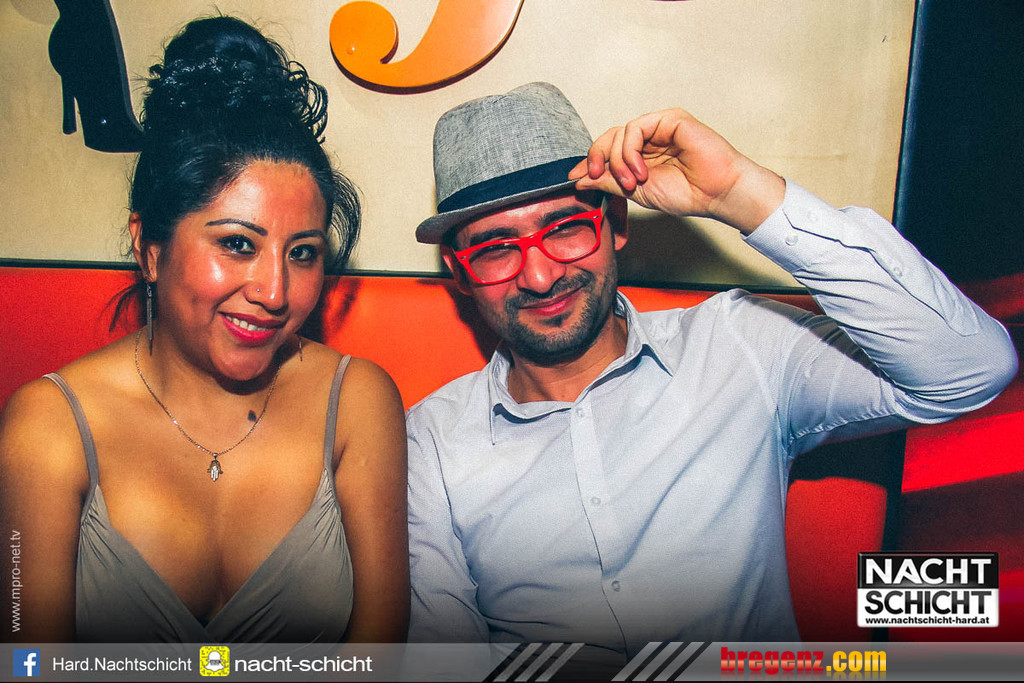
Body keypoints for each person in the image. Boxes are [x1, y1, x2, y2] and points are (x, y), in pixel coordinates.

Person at [406, 82, 1017, 656]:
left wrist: (738, 193)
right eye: (495, 249)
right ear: (459, 274)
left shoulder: (737, 341)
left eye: (565, 229)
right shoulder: (427, 440)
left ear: (615, 224)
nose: (540, 277)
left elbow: (971, 369)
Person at [0, 16, 408, 643]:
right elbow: (27, 660)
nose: (275, 293)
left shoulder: (357, 402)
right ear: (149, 247)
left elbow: (381, 653)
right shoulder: (48, 425)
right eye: (238, 244)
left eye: (302, 253)